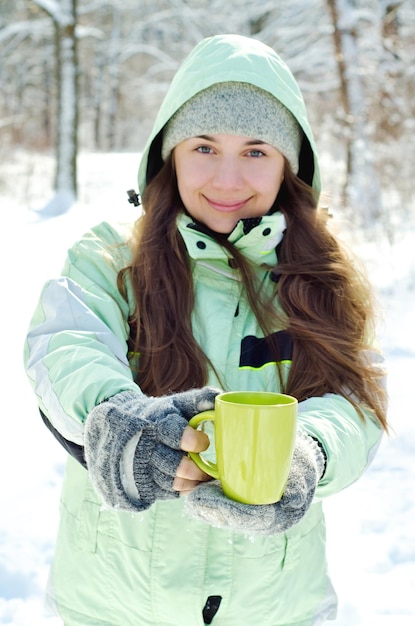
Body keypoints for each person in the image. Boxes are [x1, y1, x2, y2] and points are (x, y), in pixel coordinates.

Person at [24, 33, 388, 626]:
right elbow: (64, 345)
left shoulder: (322, 274)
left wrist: (308, 455)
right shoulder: (111, 256)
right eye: (203, 147)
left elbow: (354, 403)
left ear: (288, 164)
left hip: (274, 605)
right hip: (113, 603)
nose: (226, 179)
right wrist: (114, 416)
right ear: (170, 153)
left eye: (255, 152)